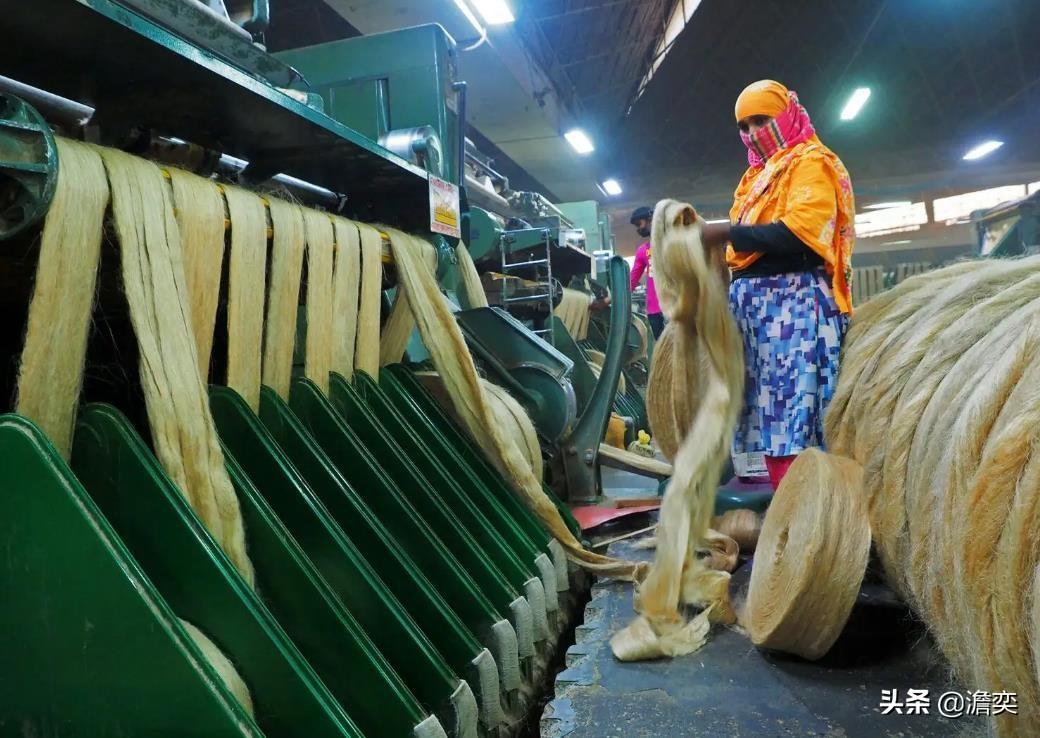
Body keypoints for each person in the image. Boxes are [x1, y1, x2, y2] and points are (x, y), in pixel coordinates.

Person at [699, 80, 855, 491]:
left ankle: (810, 502)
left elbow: (799, 233)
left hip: (793, 308)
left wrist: (723, 233)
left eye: (762, 120)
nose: (753, 133)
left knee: (793, 407)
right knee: (761, 408)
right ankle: (775, 496)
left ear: (786, 115)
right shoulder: (754, 177)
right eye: (744, 126)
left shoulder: (811, 162)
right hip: (755, 313)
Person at [628, 206, 665, 337]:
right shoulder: (642, 251)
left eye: (639, 224)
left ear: (651, 219)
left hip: (676, 307)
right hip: (654, 310)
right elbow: (631, 282)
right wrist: (609, 300)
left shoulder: (673, 244)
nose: (638, 229)